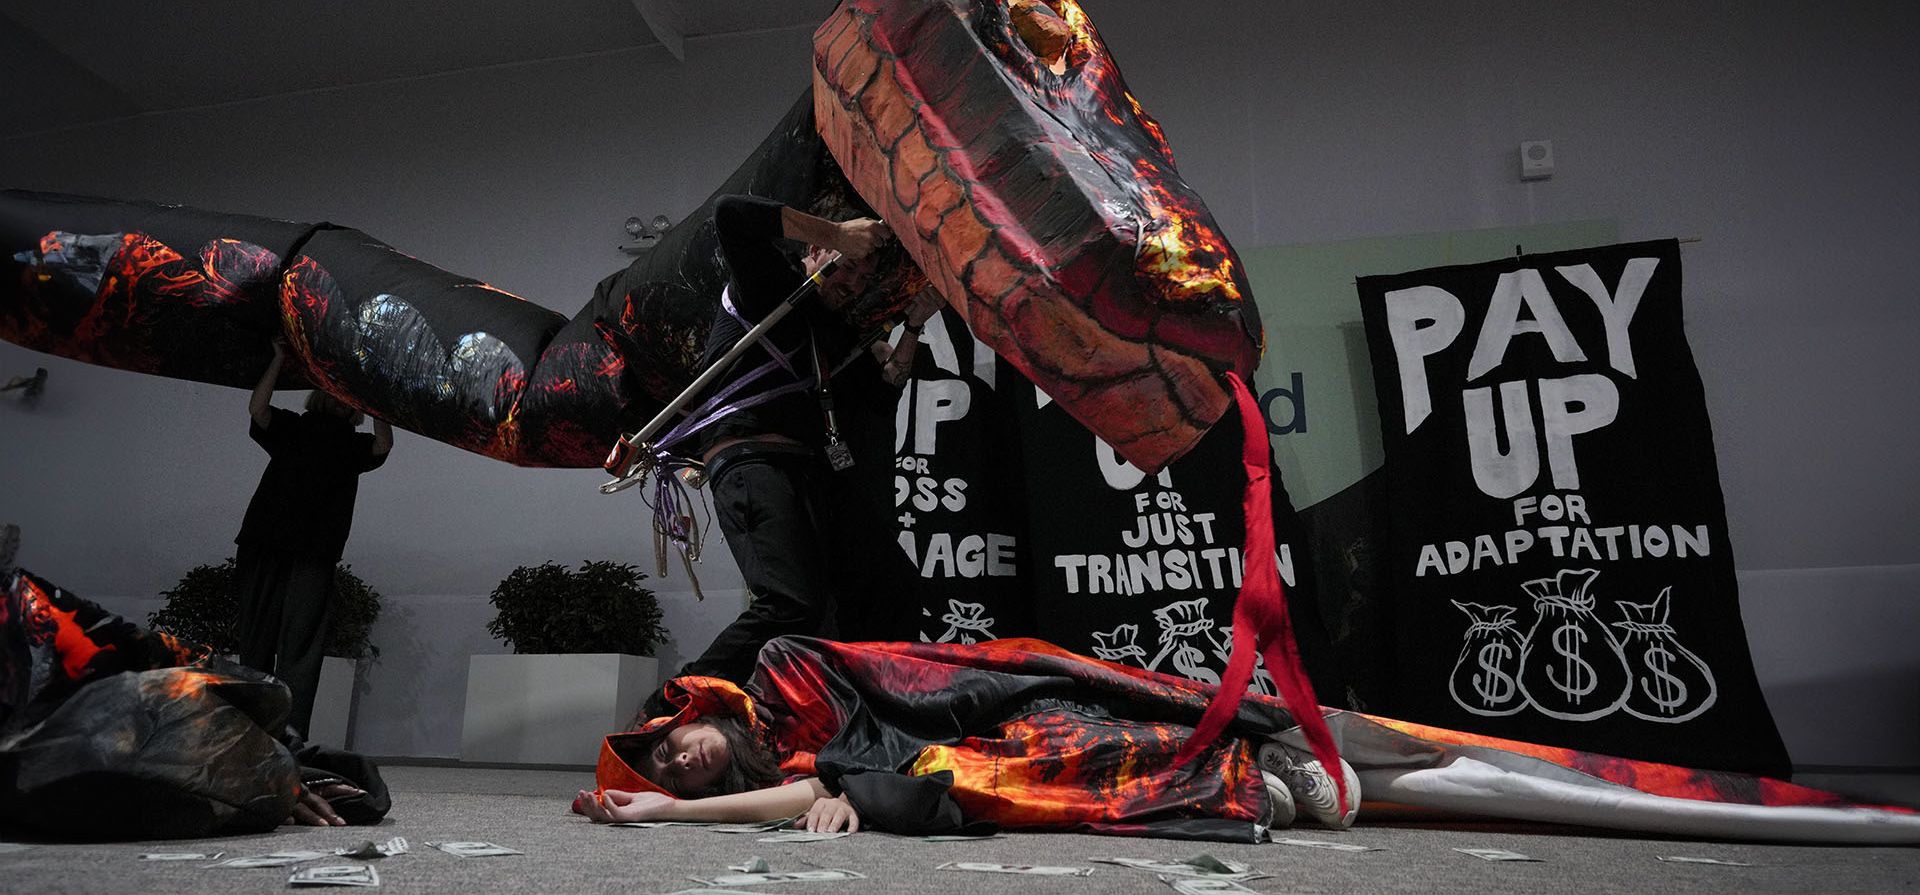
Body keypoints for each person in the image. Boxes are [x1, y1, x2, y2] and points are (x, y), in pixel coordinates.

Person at [583, 636, 1356, 840]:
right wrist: (662, 813)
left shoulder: (776, 668)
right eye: (676, 777)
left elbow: (878, 707)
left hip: (972, 696)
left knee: (1069, 717)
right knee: (997, 779)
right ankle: (1241, 778)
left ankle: (1255, 748)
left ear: (682, 719)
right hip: (963, 747)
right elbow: (817, 782)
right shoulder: (778, 767)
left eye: (664, 749)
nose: (680, 762)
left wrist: (848, 783)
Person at [645, 195, 892, 712]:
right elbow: (731, 214)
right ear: (814, 251)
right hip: (751, 461)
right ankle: (673, 706)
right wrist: (840, 233)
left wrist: (913, 325)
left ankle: (860, 717)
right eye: (846, 266)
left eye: (862, 279)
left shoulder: (831, 329)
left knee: (880, 584)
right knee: (790, 603)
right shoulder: (770, 286)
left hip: (810, 469)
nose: (851, 283)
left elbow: (880, 393)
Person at [233, 337, 393, 738]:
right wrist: (278, 360)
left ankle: (276, 735)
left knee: (281, 641)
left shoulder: (337, 440)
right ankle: (267, 733)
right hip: (285, 544)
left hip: (293, 546)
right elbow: (258, 409)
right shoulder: (305, 431)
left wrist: (372, 399)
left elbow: (383, 444)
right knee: (277, 641)